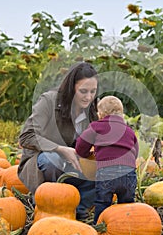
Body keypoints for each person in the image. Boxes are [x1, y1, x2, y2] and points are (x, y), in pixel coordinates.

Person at [17, 61, 99, 220]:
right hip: (42, 160)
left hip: (73, 164)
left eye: (93, 91)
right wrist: (59, 149)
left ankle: (77, 209)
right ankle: (49, 205)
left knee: (104, 169)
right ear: (71, 87)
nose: (88, 97)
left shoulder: (90, 111)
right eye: (83, 91)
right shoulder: (49, 101)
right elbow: (26, 136)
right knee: (53, 160)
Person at [75, 95, 139, 224]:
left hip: (106, 171)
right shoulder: (128, 130)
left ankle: (99, 227)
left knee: (102, 203)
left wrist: (85, 153)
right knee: (127, 204)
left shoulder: (97, 126)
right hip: (128, 173)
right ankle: (127, 226)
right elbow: (135, 150)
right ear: (122, 114)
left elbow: (81, 145)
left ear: (101, 114)